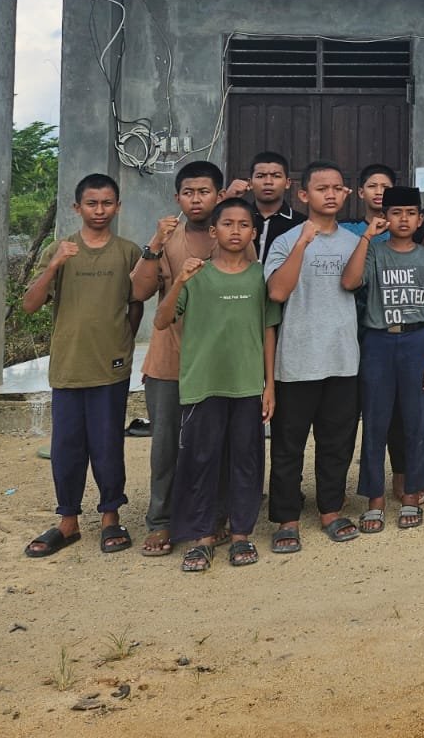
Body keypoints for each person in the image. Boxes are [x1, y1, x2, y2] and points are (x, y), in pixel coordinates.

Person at [21, 174, 146, 558]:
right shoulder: (60, 250)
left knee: (108, 444)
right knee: (66, 447)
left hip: (110, 367)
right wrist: (54, 265)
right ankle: (68, 521)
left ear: (118, 206)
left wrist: (123, 341)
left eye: (107, 203)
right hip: (69, 365)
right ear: (77, 208)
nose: (99, 210)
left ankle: (110, 517)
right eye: (92, 203)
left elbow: (137, 301)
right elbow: (30, 304)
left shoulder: (128, 252)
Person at [158, 197, 279, 571]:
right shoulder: (197, 274)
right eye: (228, 224)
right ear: (213, 231)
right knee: (201, 461)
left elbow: (268, 330)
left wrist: (269, 385)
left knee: (246, 461)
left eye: (244, 225)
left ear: (253, 233)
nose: (235, 231)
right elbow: (161, 320)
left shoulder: (260, 276)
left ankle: (241, 534)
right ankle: (202, 537)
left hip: (247, 385)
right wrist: (179, 281)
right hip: (203, 385)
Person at [129, 160, 227, 557]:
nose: (196, 199)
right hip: (170, 359)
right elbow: (139, 292)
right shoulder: (167, 240)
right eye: (188, 193)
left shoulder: (232, 236)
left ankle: (213, 515)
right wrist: (155, 243)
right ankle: (161, 520)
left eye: (204, 192)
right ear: (177, 198)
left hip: (219, 360)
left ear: (220, 196)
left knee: (214, 443)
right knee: (166, 445)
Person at [264, 161, 364, 551]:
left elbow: (353, 284)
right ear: (303, 195)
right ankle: (286, 518)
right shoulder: (286, 241)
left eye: (338, 188)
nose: (331, 194)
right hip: (297, 360)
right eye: (322, 188)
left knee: (337, 441)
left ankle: (331, 510)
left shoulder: (353, 242)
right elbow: (277, 292)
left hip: (342, 358)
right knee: (288, 445)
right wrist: (304, 243)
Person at [343, 186, 424, 532]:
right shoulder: (374, 251)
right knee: (375, 421)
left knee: (417, 421)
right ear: (384, 217)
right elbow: (350, 282)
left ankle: (412, 494)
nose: (404, 219)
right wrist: (366, 238)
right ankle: (375, 499)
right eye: (396, 213)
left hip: (417, 341)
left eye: (410, 213)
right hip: (378, 341)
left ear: (420, 218)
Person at [244, 151, 301, 261]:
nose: (268, 182)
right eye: (260, 176)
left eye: (276, 176)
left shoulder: (301, 224)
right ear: (250, 183)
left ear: (288, 183)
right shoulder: (239, 220)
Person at [341, 164, 397, 238]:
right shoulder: (347, 228)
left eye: (385, 187)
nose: (379, 192)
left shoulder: (403, 229)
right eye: (372, 186)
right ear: (361, 193)